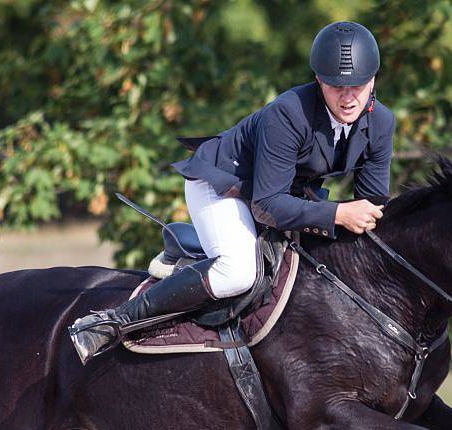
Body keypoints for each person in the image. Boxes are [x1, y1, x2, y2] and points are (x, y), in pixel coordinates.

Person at [70, 21, 394, 364]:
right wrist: (339, 213)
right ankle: (112, 322)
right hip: (224, 185)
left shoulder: (381, 122)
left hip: (278, 191)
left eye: (357, 86)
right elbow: (268, 205)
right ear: (318, 80)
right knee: (239, 271)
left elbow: (373, 203)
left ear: (373, 79)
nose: (348, 98)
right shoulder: (288, 113)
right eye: (335, 86)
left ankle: (185, 242)